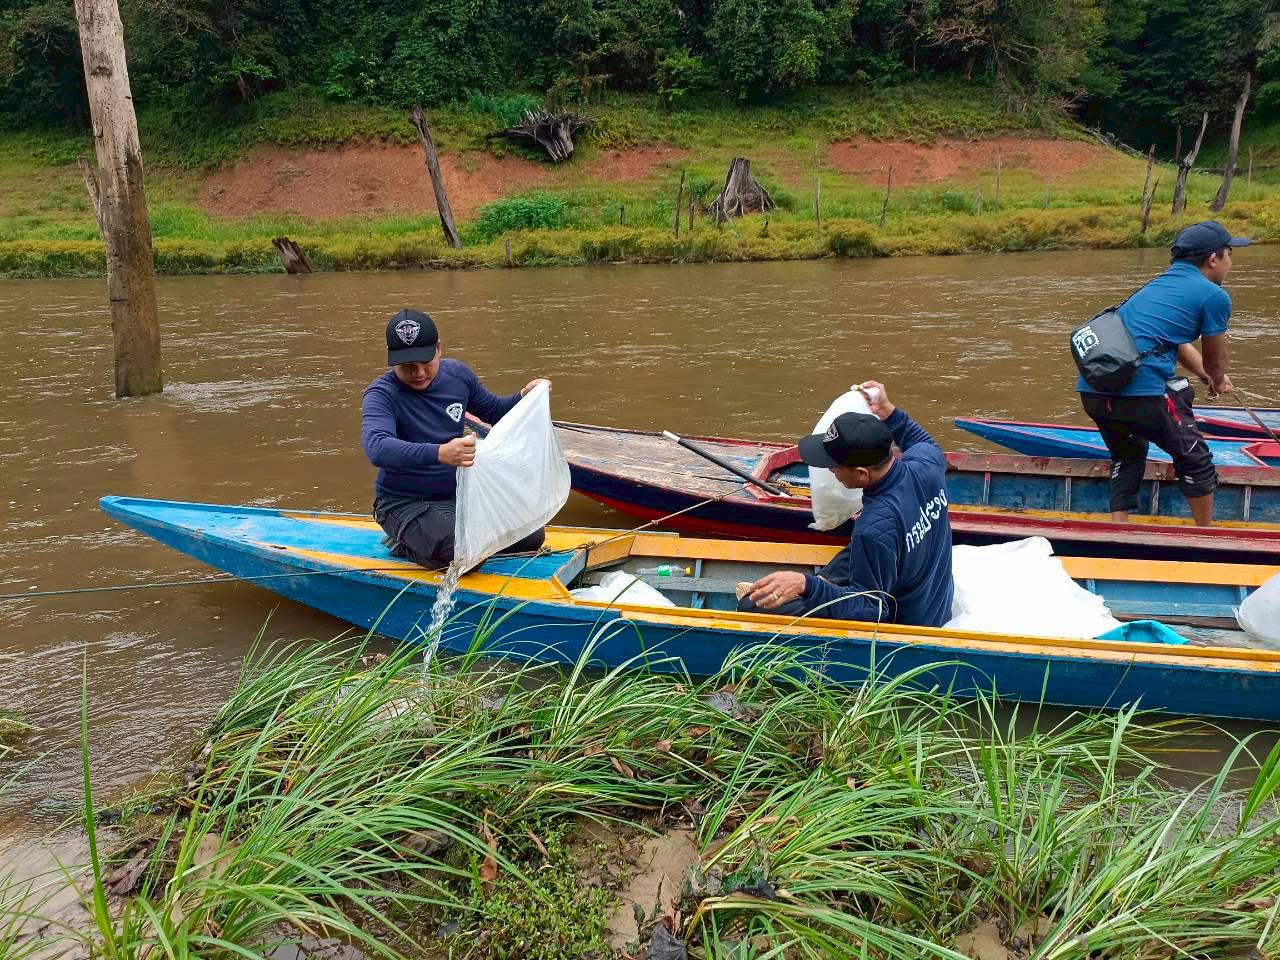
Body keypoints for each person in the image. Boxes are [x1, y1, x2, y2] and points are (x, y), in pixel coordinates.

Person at [1077, 220, 1249, 527]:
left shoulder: (1158, 286)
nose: (1230, 263)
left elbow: (1174, 342)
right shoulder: (1214, 296)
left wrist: (1206, 375)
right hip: (1142, 394)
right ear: (1213, 258)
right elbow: (1216, 360)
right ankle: (1205, 537)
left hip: (1094, 392)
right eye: (1229, 255)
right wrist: (1217, 378)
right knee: (1195, 458)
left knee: (1128, 455)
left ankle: (1118, 528)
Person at [742, 381, 954, 628]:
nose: (831, 471)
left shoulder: (875, 527)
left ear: (862, 473)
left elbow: (871, 608)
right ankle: (827, 582)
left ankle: (816, 585)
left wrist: (807, 585)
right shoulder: (927, 462)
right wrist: (888, 411)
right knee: (855, 553)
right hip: (932, 597)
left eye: (834, 466)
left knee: (751, 607)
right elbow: (919, 438)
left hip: (910, 623)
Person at [361, 308, 549, 569]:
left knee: (531, 537)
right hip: (403, 503)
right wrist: (440, 453)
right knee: (466, 555)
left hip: (456, 496)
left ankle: (432, 539)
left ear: (439, 349)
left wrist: (524, 397)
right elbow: (377, 447)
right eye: (408, 366)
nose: (419, 373)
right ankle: (403, 542)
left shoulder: (458, 376)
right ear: (393, 361)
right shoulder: (381, 394)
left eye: (425, 362)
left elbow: (495, 411)